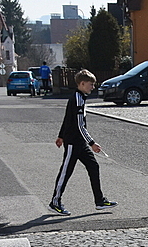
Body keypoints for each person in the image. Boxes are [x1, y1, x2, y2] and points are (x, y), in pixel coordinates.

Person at [49, 69, 117, 215]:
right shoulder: (78, 99)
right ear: (82, 84)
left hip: (80, 143)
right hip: (73, 143)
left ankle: (99, 201)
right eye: (91, 84)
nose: (93, 87)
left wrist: (60, 136)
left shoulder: (79, 97)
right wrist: (92, 143)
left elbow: (68, 118)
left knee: (93, 166)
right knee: (66, 172)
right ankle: (55, 202)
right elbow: (80, 125)